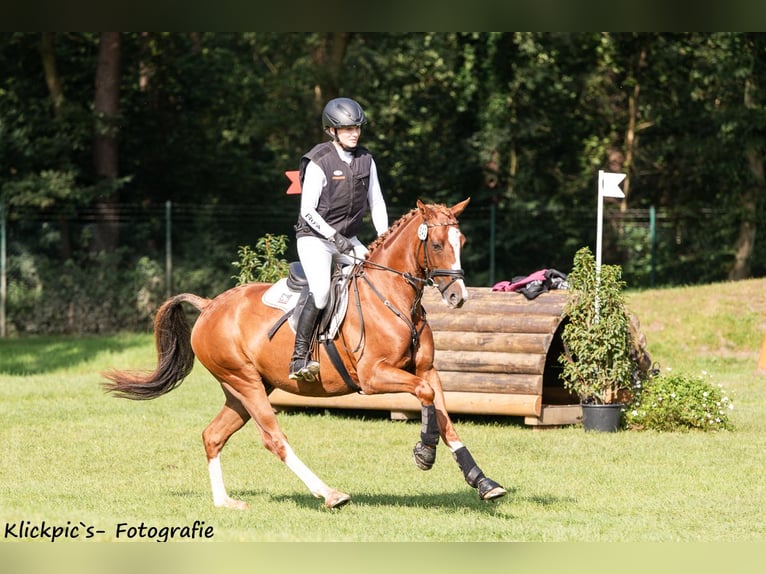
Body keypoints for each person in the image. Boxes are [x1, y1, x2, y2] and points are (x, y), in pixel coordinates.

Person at [289, 97, 389, 382]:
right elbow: (307, 211)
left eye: (356, 127)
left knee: (378, 277)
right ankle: (299, 357)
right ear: (332, 131)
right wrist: (334, 237)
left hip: (348, 239)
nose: (354, 133)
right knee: (320, 291)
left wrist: (383, 241)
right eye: (346, 129)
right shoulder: (319, 160)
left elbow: (377, 203)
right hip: (314, 239)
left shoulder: (366, 160)